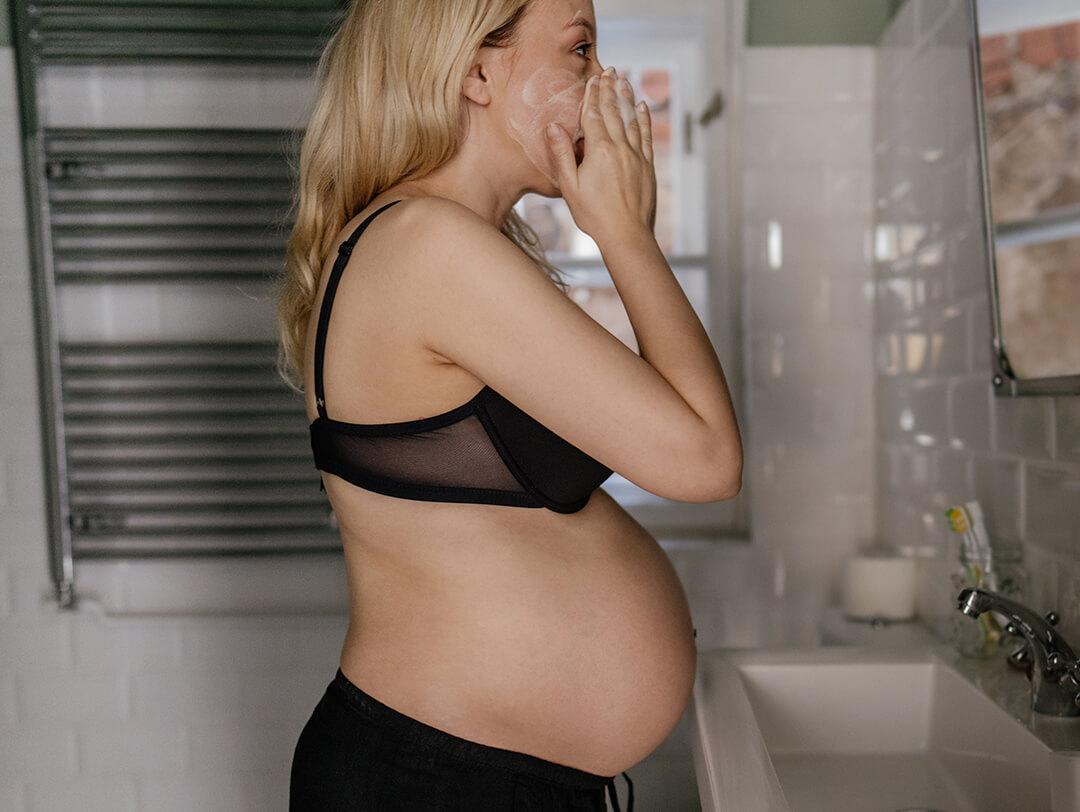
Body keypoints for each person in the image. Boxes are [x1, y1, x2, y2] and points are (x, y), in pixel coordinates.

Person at [280, 0, 743, 808]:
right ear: (477, 71)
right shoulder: (428, 245)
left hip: (460, 774)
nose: (601, 79)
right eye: (580, 48)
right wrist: (626, 234)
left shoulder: (427, 240)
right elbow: (705, 460)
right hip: (438, 783)